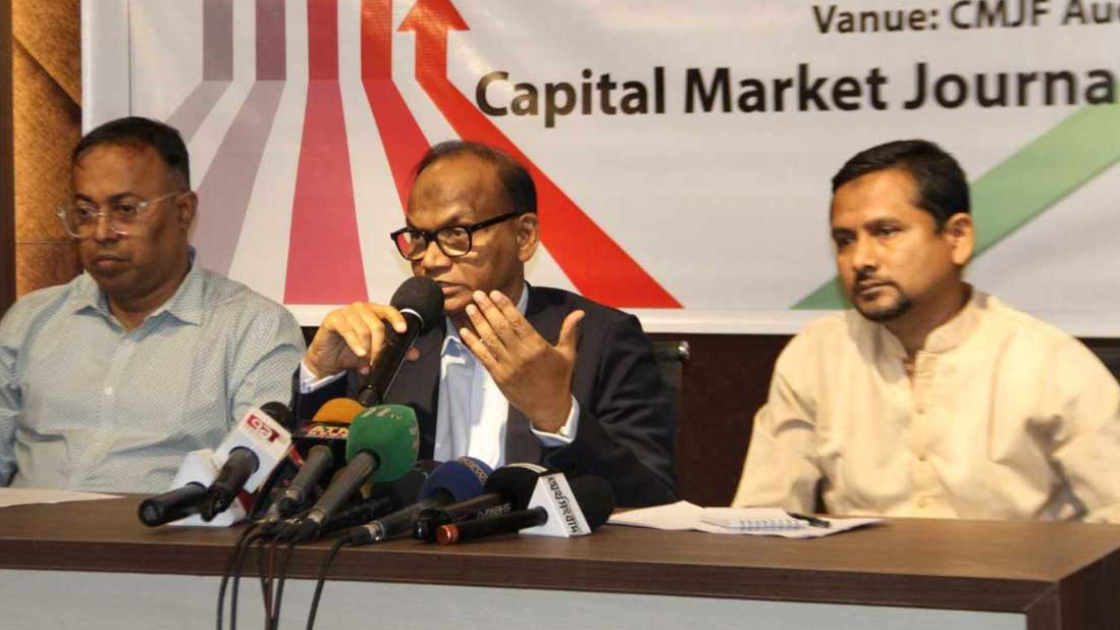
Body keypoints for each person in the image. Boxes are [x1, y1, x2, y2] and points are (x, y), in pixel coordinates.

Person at [733, 139, 1120, 522]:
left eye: (886, 231)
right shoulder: (816, 355)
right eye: (845, 240)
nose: (861, 259)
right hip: (865, 567)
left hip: (1022, 566)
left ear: (957, 237)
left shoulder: (1051, 362)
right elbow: (762, 519)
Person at [293, 141, 677, 507]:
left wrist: (558, 416)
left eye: (456, 233)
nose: (431, 260)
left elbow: (653, 500)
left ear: (524, 236)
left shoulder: (601, 339)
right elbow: (309, 494)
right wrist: (319, 375)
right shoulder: (390, 347)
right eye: (419, 237)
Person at [0, 117, 305, 492]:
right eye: (85, 212)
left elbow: (253, 484)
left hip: (160, 529)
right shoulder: (30, 321)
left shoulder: (254, 329)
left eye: (125, 209)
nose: (101, 232)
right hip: (23, 529)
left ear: (183, 211)